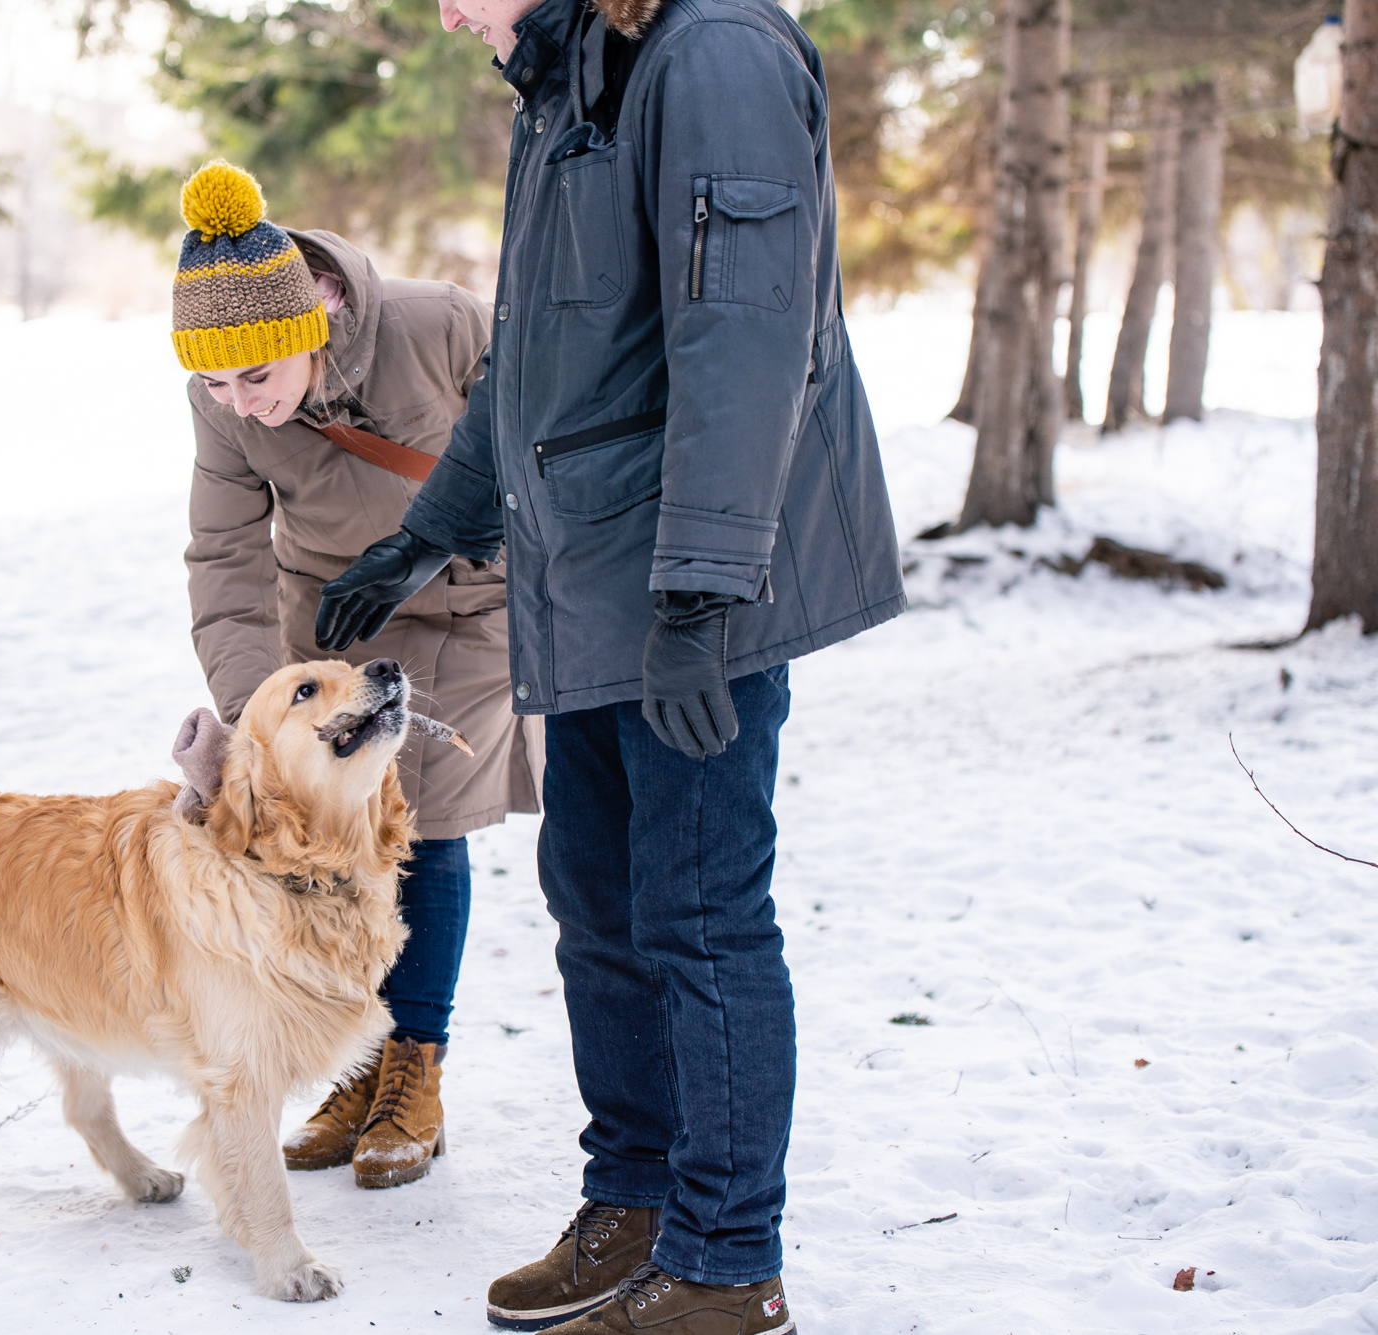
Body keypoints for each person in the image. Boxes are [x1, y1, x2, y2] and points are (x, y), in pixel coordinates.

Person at [314, 0, 905, 1328]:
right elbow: (531, 352)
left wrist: (700, 590)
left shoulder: (714, 53)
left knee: (699, 916)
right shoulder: (568, 79)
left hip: (696, 582)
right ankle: (636, 1198)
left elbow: (745, 337)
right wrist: (430, 535)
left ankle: (725, 1263)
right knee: (600, 903)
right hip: (591, 578)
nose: (452, 13)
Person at [171, 160, 545, 1191]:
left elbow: (539, 419)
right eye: (212, 384)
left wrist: (462, 541)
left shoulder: (436, 327)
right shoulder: (224, 407)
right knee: (329, 838)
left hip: (470, 605)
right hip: (331, 625)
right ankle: (362, 1066)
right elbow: (226, 562)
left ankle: (414, 1068)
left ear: (310, 326)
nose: (239, 407)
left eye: (256, 378)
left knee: (420, 822)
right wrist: (260, 722)